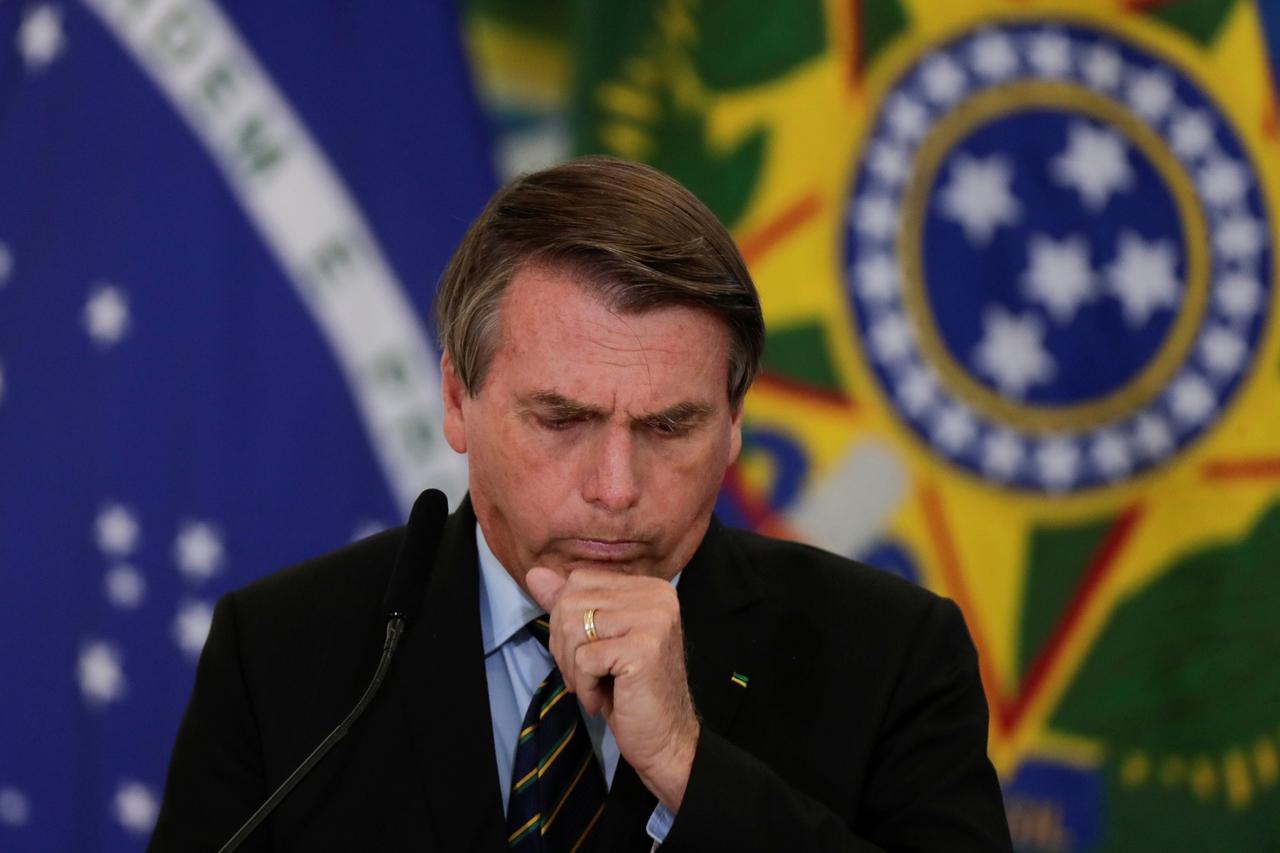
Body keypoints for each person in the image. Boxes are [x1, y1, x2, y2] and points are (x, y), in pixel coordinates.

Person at [150, 156, 1012, 852]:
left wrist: (687, 762)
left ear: (734, 423)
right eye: (562, 418)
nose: (615, 486)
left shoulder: (892, 653)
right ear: (456, 398)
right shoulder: (285, 654)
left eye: (671, 425)